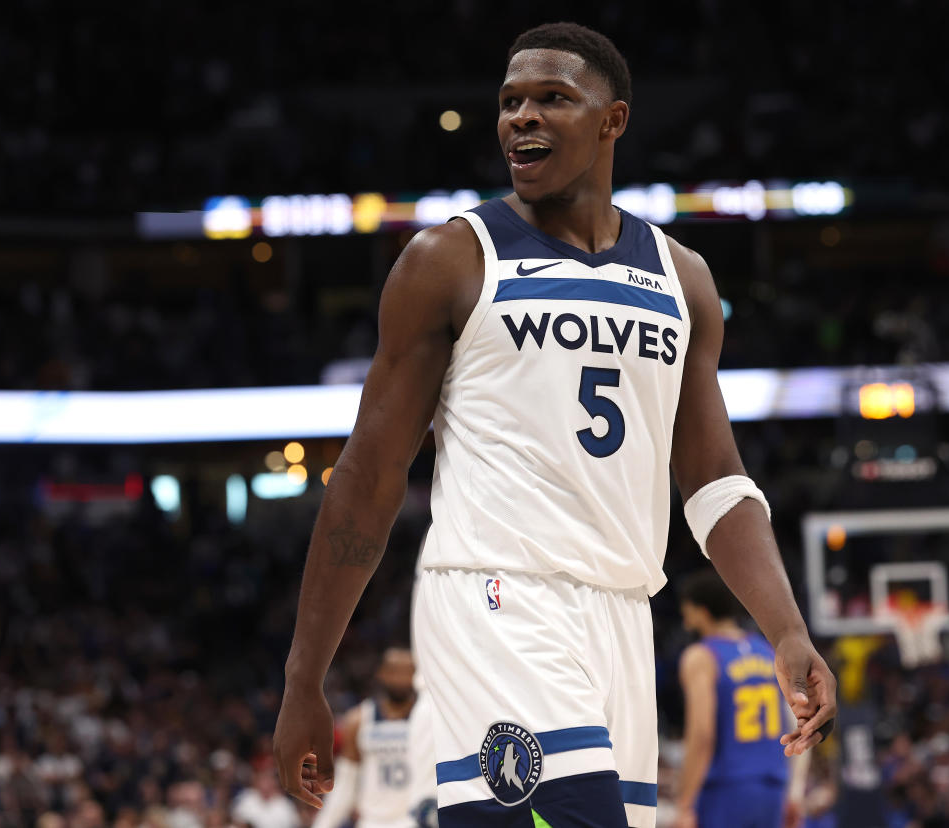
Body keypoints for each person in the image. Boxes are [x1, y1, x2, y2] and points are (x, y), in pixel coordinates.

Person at [273, 21, 836, 828]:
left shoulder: (684, 279)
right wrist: (304, 678)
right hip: (499, 601)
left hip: (621, 615)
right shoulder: (452, 260)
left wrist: (785, 628)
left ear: (613, 121)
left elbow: (715, 481)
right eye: (510, 103)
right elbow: (367, 477)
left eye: (552, 99)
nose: (521, 119)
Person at [674, 570, 806, 828]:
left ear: (702, 611)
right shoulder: (767, 651)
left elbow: (702, 734)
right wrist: (794, 790)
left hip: (726, 787)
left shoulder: (701, 657)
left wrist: (685, 803)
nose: (684, 620)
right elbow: (795, 723)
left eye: (687, 611)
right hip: (772, 785)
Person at [312, 648, 427, 828]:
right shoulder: (358, 719)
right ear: (381, 674)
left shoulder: (429, 719)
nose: (401, 679)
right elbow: (346, 782)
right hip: (372, 821)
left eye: (407, 672)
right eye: (394, 672)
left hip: (415, 820)